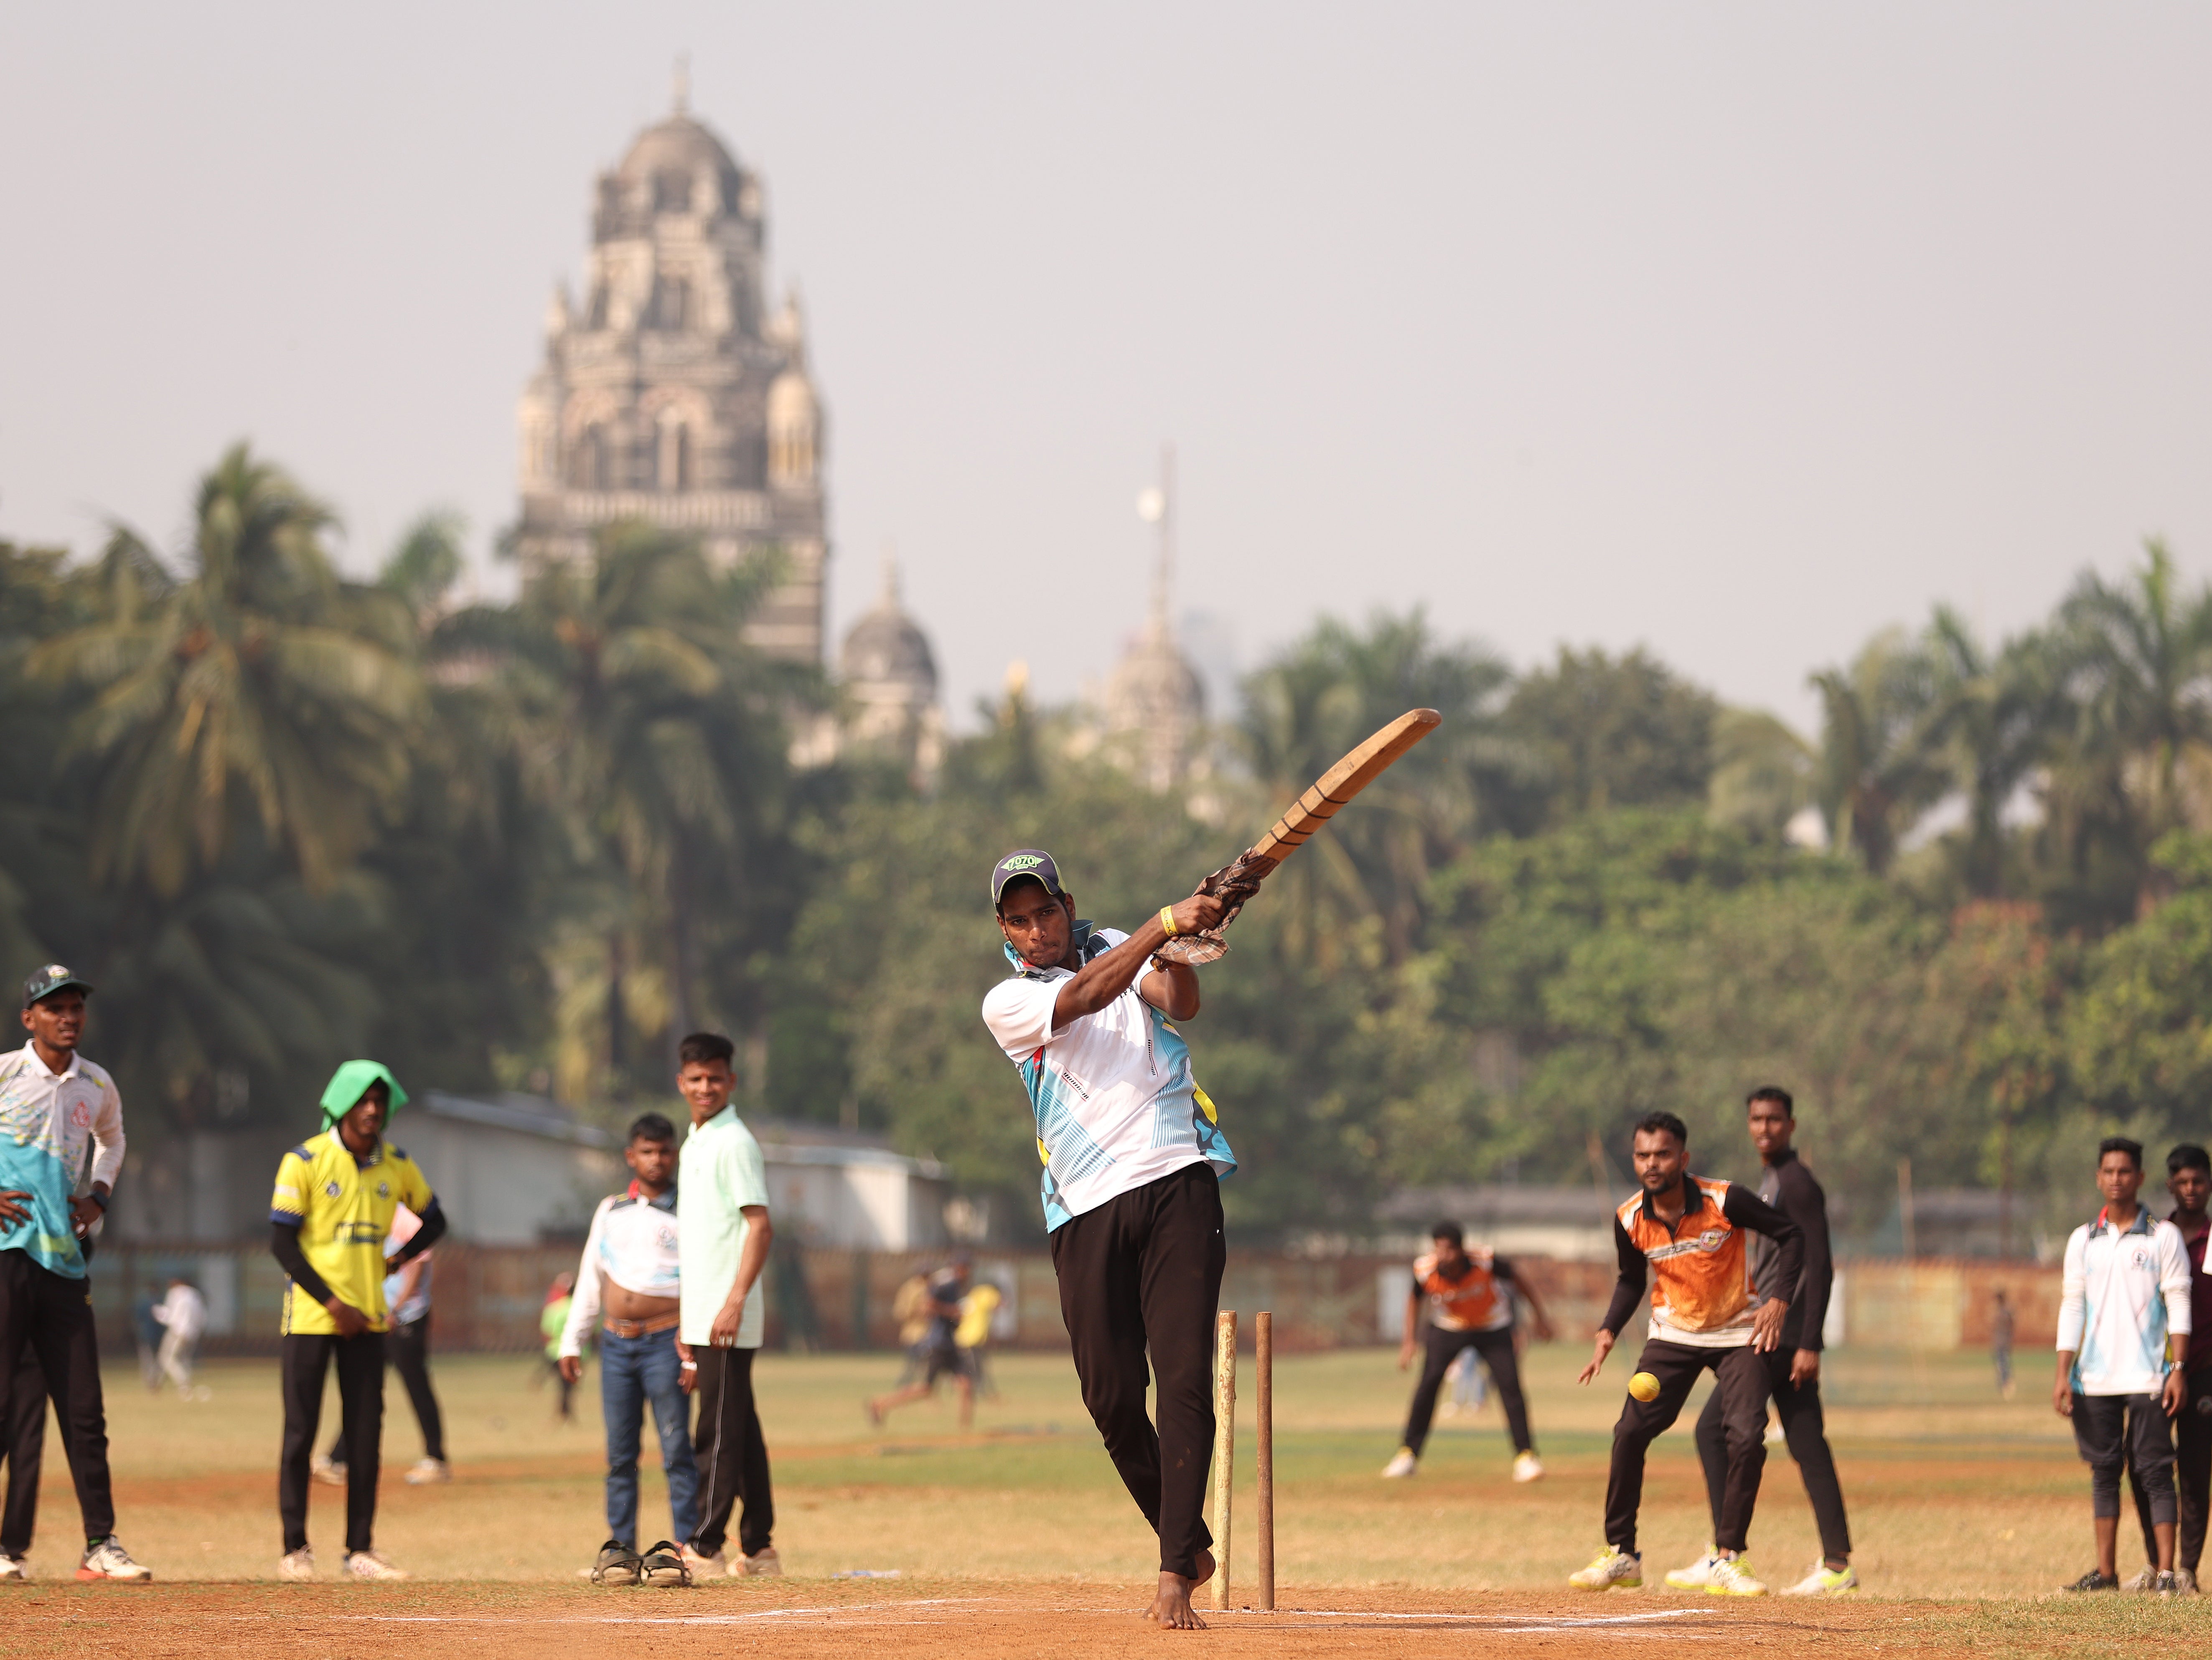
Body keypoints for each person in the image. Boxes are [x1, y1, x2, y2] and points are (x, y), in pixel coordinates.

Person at [979, 849, 1237, 1629]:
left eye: (1046, 911)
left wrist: (1179, 942)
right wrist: (1163, 924)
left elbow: (1179, 1002)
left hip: (1175, 1178)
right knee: (1113, 1398)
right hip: (1084, 1205)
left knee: (1186, 1376)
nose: (1037, 929)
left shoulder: (1119, 942)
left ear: (1067, 902)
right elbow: (1086, 996)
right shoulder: (1006, 999)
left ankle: (1171, 1573)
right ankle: (1185, 1537)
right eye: (1019, 919)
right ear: (1004, 929)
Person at [1569, 1110, 1803, 1596]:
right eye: (1642, 1155)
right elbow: (1632, 1278)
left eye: (1661, 1154)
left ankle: (1727, 1557)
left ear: (1682, 1157)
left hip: (1739, 1332)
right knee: (1629, 1431)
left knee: (1745, 1435)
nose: (1651, 1163)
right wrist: (1608, 1329)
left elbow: (1791, 1235)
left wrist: (1778, 1300)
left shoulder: (1726, 1199)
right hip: (1672, 1333)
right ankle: (1622, 1554)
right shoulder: (1629, 1217)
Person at [1670, 1088, 1856, 1597]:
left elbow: (1819, 1263)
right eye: (1756, 1119)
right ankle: (1836, 1562)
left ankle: (1724, 1554)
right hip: (1776, 1332)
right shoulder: (1773, 1180)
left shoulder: (1795, 1183)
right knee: (1805, 1440)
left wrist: (1809, 1341)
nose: (1764, 1128)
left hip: (1781, 1336)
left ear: (1791, 1125)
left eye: (1774, 1119)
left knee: (1712, 1430)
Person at [0, 965, 151, 1581]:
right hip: (7, 1255)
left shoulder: (96, 1083)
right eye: (54, 1007)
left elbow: (113, 1142)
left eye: (76, 1007)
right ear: (29, 1018)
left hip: (64, 1261)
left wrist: (100, 1196)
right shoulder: (6, 1073)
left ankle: (100, 1543)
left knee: (85, 1410)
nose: (68, 1017)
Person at [269, 1060, 447, 1582]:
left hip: (367, 1320)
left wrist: (396, 1260)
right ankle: (295, 1547)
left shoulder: (396, 1163)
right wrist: (331, 1303)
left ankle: (359, 1549)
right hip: (310, 1317)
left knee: (366, 1434)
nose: (372, 1111)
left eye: (380, 1101)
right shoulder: (305, 1159)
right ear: (340, 1104)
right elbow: (281, 1242)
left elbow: (435, 1219)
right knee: (300, 1432)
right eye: (362, 1101)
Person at [559, 1112, 700, 1588]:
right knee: (620, 1455)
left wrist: (693, 1343)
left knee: (676, 1448)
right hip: (617, 1344)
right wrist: (572, 1338)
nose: (656, 1159)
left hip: (668, 1340)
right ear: (630, 1156)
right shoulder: (612, 1209)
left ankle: (685, 1551)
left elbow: (702, 1277)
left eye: (664, 1151)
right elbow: (591, 1274)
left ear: (674, 1154)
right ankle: (620, 1553)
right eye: (647, 1150)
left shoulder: (690, 1209)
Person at [2054, 1136, 2192, 1595]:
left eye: (2124, 1172)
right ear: (2098, 1178)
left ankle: (2167, 1573)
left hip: (2150, 1374)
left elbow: (2177, 1301)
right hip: (2093, 1377)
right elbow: (2072, 1305)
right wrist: (2062, 1371)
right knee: (2103, 1472)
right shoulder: (2082, 1240)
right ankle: (2105, 1573)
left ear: (2139, 1177)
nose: (2116, 1180)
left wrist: (2177, 1368)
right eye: (2108, 1172)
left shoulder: (2161, 1236)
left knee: (2155, 1470)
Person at [674, 1032, 779, 1577]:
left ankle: (705, 1544)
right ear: (681, 1083)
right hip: (703, 1311)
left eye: (715, 1077)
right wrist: (685, 1315)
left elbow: (758, 1226)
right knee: (740, 1425)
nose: (705, 1087)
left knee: (714, 1430)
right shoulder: (696, 1141)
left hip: (726, 1312)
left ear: (730, 1081)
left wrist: (734, 1301)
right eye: (695, 1078)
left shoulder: (733, 1141)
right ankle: (758, 1546)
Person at [1382, 1221, 1552, 1482]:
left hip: (1492, 1325)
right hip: (1448, 1327)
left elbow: (1520, 1281)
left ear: (1461, 1250)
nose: (1444, 1255)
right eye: (1439, 1249)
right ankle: (1408, 1455)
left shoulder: (1485, 1261)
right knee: (1428, 1386)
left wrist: (1540, 1318)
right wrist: (1409, 1342)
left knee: (1510, 1387)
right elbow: (1414, 1300)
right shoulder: (1426, 1269)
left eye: (1449, 1249)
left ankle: (1526, 1457)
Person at [2120, 1144, 2212, 1593]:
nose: (2190, 1189)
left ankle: (2188, 1570)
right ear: (2169, 1186)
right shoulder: (2157, 1237)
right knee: (2143, 1465)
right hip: (2153, 1371)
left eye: (2198, 1181)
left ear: (2209, 1184)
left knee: (2195, 1470)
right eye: (2182, 1182)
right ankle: (2159, 1565)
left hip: (2202, 1371)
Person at [316, 1204, 450, 1487]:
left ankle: (436, 1458)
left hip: (405, 1318)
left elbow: (416, 1266)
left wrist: (396, 1311)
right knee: (365, 1387)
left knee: (416, 1385)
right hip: (377, 1316)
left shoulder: (406, 1218)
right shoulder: (369, 1212)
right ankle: (338, 1459)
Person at [867, 1260, 979, 1429]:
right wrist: (953, 1312)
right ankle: (880, 1404)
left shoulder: (953, 1285)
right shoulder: (945, 1284)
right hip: (938, 1345)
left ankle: (965, 1431)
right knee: (925, 1389)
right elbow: (929, 1306)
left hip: (950, 1344)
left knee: (966, 1385)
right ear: (960, 1269)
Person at [149, 1276, 206, 1398]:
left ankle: (184, 1384)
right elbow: (202, 1316)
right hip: (193, 1333)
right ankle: (180, 1386)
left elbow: (172, 1316)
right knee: (184, 1359)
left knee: (168, 1359)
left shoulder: (176, 1293)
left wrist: (158, 1313)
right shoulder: (195, 1295)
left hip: (177, 1332)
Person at [541, 1274, 577, 1421]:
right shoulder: (580, 1308)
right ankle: (565, 1411)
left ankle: (564, 1411)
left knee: (562, 1383)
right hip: (578, 1352)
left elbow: (548, 1330)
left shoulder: (554, 1308)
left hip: (555, 1351)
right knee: (569, 1385)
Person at [1992, 1289, 2016, 1399]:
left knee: (2003, 1365)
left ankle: (2007, 1385)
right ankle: (2004, 1385)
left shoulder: (2005, 1312)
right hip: (1999, 1343)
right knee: (2001, 1365)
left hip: (2004, 1343)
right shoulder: (2000, 1311)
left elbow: (2011, 1326)